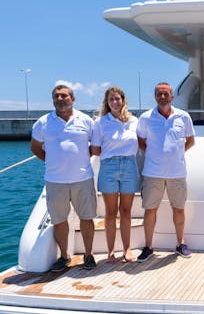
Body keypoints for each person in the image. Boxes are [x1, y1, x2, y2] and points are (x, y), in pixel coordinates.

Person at [30, 84, 97, 271]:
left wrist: (80, 160)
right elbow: (35, 147)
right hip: (55, 181)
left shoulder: (85, 120)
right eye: (56, 96)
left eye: (64, 96)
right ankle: (64, 256)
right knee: (59, 221)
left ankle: (89, 255)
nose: (60, 99)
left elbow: (95, 147)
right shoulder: (43, 122)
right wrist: (51, 161)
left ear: (72, 99)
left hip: (82, 179)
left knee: (87, 218)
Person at [136, 82, 195, 262]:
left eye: (166, 94)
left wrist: (176, 154)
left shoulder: (183, 117)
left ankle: (180, 243)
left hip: (177, 172)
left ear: (172, 96)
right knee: (150, 210)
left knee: (178, 208)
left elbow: (190, 140)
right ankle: (148, 247)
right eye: (159, 94)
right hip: (153, 172)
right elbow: (140, 140)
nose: (163, 97)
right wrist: (156, 155)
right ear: (155, 96)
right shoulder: (146, 118)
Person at [91, 86, 140, 263]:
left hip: (129, 165)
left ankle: (127, 249)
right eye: (111, 99)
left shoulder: (134, 121)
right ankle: (110, 251)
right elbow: (95, 149)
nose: (114, 102)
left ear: (123, 100)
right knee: (110, 212)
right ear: (107, 102)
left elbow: (143, 141)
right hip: (109, 167)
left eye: (117, 98)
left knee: (126, 211)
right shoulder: (100, 123)